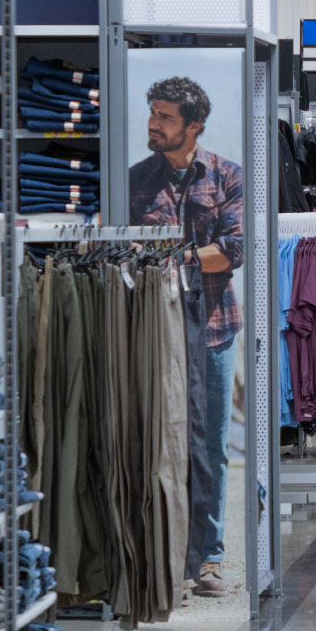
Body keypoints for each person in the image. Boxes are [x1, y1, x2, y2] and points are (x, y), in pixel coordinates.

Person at [128, 76, 244, 599]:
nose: (154, 124)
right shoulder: (134, 180)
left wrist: (181, 257)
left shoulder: (226, 177)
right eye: (153, 113)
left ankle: (209, 558)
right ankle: (163, 553)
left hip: (213, 328)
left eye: (166, 117)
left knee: (210, 447)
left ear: (194, 125)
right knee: (158, 440)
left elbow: (235, 249)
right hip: (153, 329)